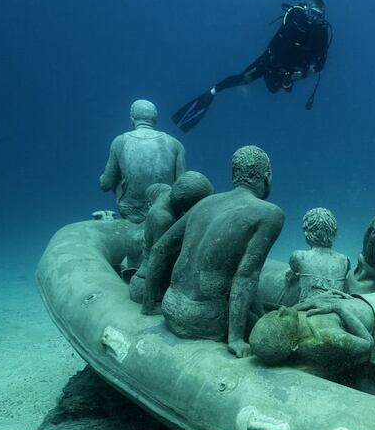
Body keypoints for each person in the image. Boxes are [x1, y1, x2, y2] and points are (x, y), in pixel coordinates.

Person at [140, 146, 283, 358]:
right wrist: (236, 339)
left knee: (258, 309)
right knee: (278, 334)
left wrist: (148, 304)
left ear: (234, 175)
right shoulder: (270, 214)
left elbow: (160, 249)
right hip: (204, 319)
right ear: (267, 176)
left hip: (170, 307)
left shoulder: (205, 203)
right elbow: (246, 277)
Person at [172, 0, 332, 132]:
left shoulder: (322, 34)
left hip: (288, 71)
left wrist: (303, 74)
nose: (313, 18)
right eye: (311, 13)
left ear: (323, 17)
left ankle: (280, 80)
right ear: (305, 9)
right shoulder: (294, 17)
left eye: (318, 16)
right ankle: (212, 92)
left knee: (273, 89)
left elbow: (320, 66)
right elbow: (280, 41)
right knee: (243, 79)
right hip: (269, 60)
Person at [249, 286, 375, 377]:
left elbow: (292, 310)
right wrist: (340, 308)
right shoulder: (327, 335)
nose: (281, 310)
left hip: (367, 300)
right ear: (293, 343)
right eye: (280, 318)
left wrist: (332, 299)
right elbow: (367, 345)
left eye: (273, 314)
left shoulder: (295, 316)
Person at [129, 172, 214, 303]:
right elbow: (158, 261)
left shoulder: (166, 191)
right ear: (189, 205)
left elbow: (151, 190)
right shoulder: (164, 219)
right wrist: (149, 305)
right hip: (148, 286)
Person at [100, 99, 186, 222]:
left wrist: (103, 178)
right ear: (155, 120)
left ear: (132, 119)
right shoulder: (176, 144)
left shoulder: (120, 141)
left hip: (131, 213)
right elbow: (182, 188)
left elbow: (106, 185)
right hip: (166, 212)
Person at [285, 207, 350, 303]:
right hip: (337, 307)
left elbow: (290, 277)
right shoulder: (345, 260)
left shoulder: (299, 256)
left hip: (308, 309)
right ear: (334, 232)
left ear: (307, 233)